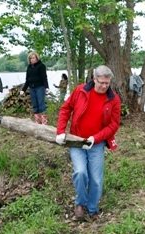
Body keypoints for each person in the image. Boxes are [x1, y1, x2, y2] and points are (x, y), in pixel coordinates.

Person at [55, 65, 121, 221]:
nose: (104, 86)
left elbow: (113, 125)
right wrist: (60, 131)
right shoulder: (80, 91)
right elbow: (66, 109)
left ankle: (92, 208)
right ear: (94, 78)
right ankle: (80, 203)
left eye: (107, 83)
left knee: (96, 179)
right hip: (76, 141)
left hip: (96, 143)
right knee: (80, 172)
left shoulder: (114, 99)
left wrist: (96, 138)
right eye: (101, 82)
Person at [20, 51, 49, 124]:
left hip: (39, 87)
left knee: (41, 104)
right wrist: (23, 89)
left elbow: (44, 77)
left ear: (36, 58)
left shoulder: (41, 66)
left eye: (33, 58)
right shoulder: (29, 67)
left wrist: (46, 87)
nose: (32, 59)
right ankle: (37, 121)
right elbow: (27, 80)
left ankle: (44, 122)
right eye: (30, 58)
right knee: (35, 105)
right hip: (32, 88)